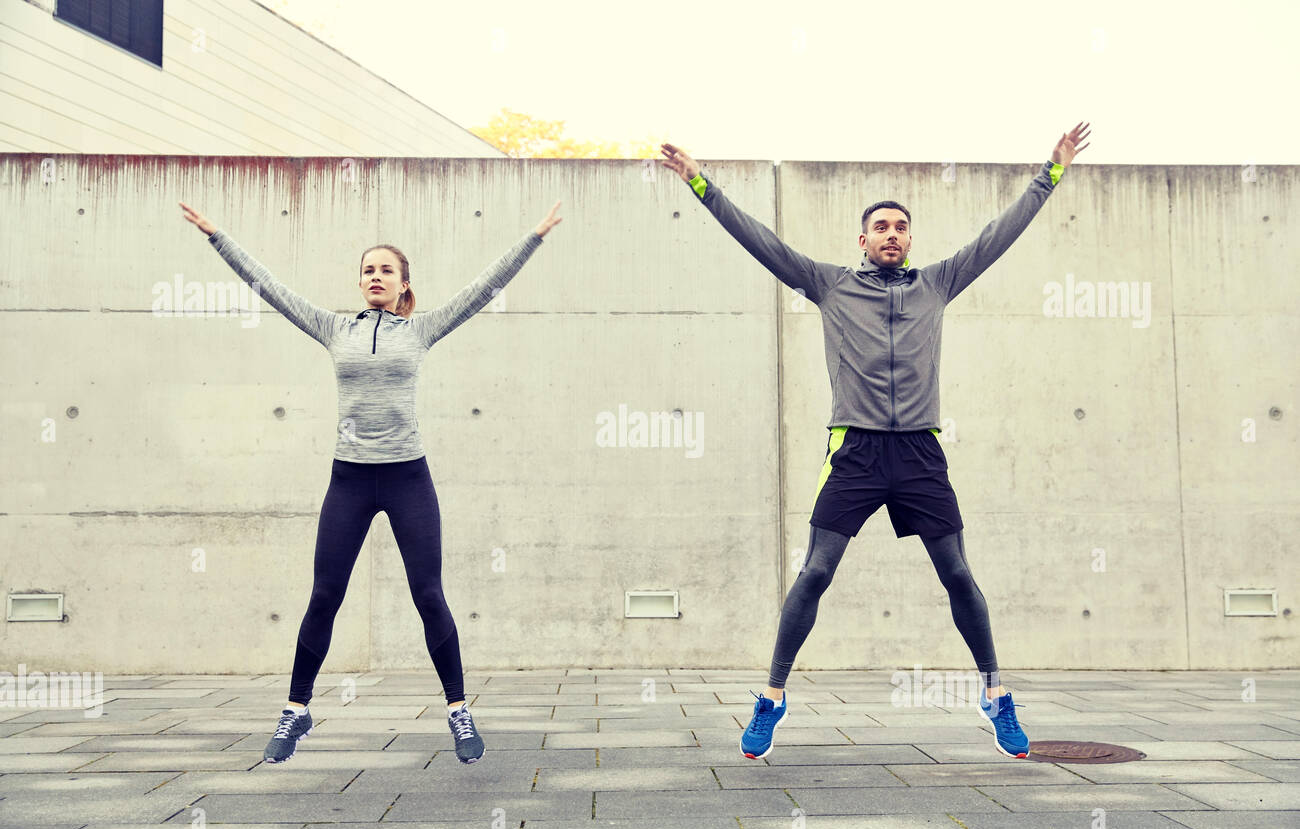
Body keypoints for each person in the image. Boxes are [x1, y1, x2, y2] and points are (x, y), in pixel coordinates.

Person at [659, 123, 1091, 760]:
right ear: (863, 241)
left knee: (960, 575)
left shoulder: (937, 284)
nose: (892, 235)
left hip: (920, 452)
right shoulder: (830, 284)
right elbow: (760, 241)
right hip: (855, 453)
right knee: (814, 572)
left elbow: (998, 236)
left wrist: (1049, 174)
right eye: (880, 228)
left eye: (901, 227)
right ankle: (771, 698)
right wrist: (700, 182)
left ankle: (997, 697)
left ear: (909, 239)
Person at [178, 198, 562, 763]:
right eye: (367, 269)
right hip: (350, 481)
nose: (374, 276)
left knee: (428, 595)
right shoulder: (334, 329)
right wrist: (217, 236)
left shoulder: (422, 330)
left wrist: (533, 236)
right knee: (325, 595)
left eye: (385, 269)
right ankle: (296, 711)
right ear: (359, 283)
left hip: (408, 477)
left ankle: (458, 711)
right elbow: (268, 285)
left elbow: (484, 287)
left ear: (404, 282)